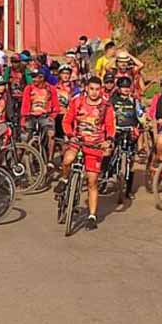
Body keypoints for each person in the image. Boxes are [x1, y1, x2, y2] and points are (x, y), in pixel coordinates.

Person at [59, 76, 115, 230]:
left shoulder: (106, 106)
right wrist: (71, 135)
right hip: (78, 141)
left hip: (95, 145)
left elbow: (110, 126)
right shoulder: (77, 102)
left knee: (92, 181)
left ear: (101, 90)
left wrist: (108, 140)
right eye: (91, 89)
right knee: (67, 160)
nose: (94, 92)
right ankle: (64, 180)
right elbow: (66, 121)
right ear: (86, 88)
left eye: (97, 89)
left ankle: (92, 215)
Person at [108, 76, 143, 197]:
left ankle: (128, 190)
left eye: (128, 87)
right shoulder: (112, 101)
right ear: (118, 88)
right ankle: (107, 176)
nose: (126, 89)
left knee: (131, 160)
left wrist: (144, 123)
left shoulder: (134, 101)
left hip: (131, 132)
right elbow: (107, 115)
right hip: (116, 131)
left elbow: (141, 115)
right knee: (109, 151)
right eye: (123, 87)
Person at [20, 69, 60, 166]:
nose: (33, 79)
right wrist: (23, 119)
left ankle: (50, 159)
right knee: (25, 137)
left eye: (35, 77)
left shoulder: (51, 89)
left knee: (51, 134)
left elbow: (56, 106)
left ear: (42, 78)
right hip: (31, 116)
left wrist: (52, 116)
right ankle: (21, 161)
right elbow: (24, 105)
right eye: (32, 77)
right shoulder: (28, 88)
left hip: (45, 116)